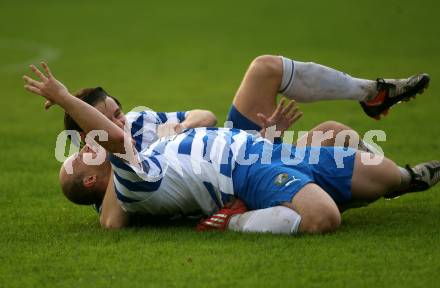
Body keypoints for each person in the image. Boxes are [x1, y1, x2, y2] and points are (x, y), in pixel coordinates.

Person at [23, 62, 440, 235]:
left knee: (361, 152)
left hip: (241, 145)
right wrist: (64, 98)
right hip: (234, 173)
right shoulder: (125, 179)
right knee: (322, 208)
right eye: (108, 119)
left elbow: (203, 118)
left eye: (118, 111)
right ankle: (274, 205)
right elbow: (113, 217)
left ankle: (373, 98)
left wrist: (263, 136)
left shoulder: (137, 127)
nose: (122, 120)